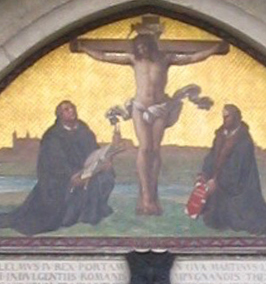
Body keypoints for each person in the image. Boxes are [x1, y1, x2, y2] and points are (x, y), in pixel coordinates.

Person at [72, 16, 227, 215]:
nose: (143, 50)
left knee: (155, 150)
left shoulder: (165, 59)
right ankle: (145, 197)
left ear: (151, 46)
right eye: (140, 47)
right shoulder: (133, 59)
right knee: (144, 149)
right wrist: (84, 48)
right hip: (140, 108)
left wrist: (214, 49)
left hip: (160, 107)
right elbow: (105, 56)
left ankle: (153, 195)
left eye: (146, 46)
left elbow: (191, 57)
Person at [0, 101, 116, 235]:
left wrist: (104, 161)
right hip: (59, 178)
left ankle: (93, 212)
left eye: (72, 108)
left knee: (107, 175)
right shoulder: (52, 136)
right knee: (66, 193)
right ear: (60, 115)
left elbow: (94, 151)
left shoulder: (83, 129)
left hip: (87, 170)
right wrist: (72, 176)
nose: (71, 111)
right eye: (66, 109)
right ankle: (71, 216)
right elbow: (54, 163)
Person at [194, 104, 266, 235]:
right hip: (219, 184)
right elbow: (211, 156)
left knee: (241, 220)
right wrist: (205, 174)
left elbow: (236, 169)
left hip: (239, 190)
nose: (224, 120)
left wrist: (216, 182)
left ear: (236, 118)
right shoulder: (220, 135)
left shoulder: (244, 141)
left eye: (227, 117)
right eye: (224, 117)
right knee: (212, 220)